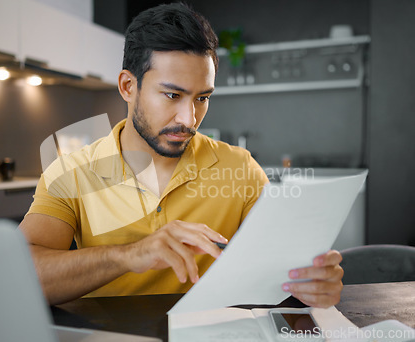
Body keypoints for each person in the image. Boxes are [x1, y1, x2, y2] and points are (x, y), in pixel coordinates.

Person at [19, 3, 343, 307]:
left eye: (202, 98)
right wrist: (128, 255)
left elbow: (282, 269)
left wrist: (313, 283)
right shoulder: (71, 171)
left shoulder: (240, 168)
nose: (189, 119)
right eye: (172, 95)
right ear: (128, 86)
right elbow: (18, 276)